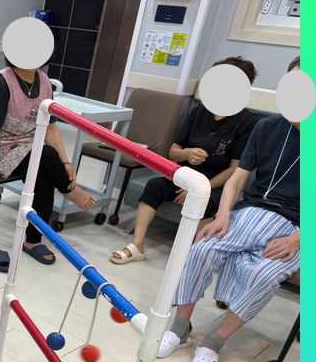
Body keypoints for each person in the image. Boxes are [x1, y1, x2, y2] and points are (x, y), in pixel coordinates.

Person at [158, 56, 302, 362]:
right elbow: (237, 178)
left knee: (263, 274)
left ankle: (213, 342)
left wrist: (299, 238)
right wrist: (222, 214)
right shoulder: (267, 127)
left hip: (296, 227)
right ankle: (180, 328)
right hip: (250, 212)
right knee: (201, 249)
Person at [110, 56, 259, 264]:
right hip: (185, 177)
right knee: (154, 186)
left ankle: (189, 256)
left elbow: (235, 169)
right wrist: (187, 154)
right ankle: (137, 245)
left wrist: (199, 188)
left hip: (214, 184)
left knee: (205, 203)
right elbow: (173, 152)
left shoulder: (247, 122)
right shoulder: (199, 112)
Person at [0, 58, 97, 268]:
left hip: (30, 148)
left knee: (45, 176)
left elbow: (50, 128)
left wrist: (66, 164)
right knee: (46, 156)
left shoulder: (45, 82)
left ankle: (32, 241)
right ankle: (68, 191)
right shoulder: (0, 84)